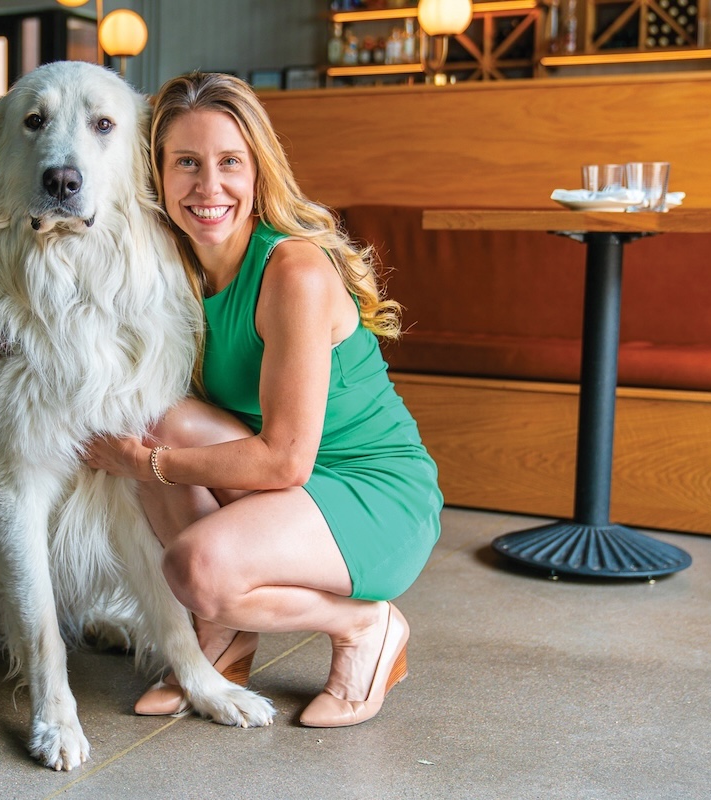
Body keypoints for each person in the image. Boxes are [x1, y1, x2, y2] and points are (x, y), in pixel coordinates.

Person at [82, 71, 443, 728]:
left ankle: (365, 626)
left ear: (258, 174)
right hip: (279, 483)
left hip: (371, 493)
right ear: (156, 176)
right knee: (151, 413)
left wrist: (147, 466)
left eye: (229, 163)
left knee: (195, 569)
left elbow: (285, 462)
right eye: (185, 163)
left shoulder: (293, 271)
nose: (208, 186)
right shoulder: (174, 266)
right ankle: (222, 643)